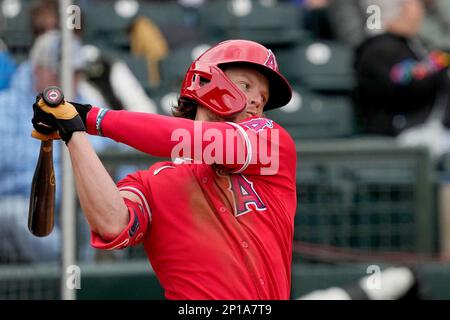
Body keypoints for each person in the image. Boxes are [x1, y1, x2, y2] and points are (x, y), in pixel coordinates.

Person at [30, 39, 297, 299]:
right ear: (205, 81)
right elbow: (112, 223)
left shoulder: (271, 142)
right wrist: (73, 132)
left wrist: (91, 117)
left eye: (262, 99)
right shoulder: (151, 182)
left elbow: (194, 139)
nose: (255, 102)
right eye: (245, 85)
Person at [0, 30, 110, 263]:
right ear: (38, 70)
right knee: (16, 214)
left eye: (76, 73)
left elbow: (109, 155)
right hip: (22, 202)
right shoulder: (6, 106)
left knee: (100, 212)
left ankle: (82, 280)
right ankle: (68, 274)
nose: (71, 81)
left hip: (74, 206)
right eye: (61, 73)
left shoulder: (87, 105)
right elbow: (13, 161)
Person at [353, 0, 450, 147]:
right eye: (415, 6)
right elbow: (411, 80)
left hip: (431, 130)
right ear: (401, 10)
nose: (420, 13)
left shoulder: (410, 44)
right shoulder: (380, 48)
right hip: (401, 134)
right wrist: (443, 60)